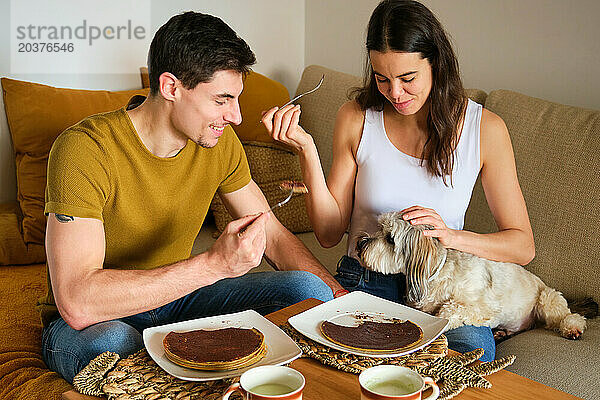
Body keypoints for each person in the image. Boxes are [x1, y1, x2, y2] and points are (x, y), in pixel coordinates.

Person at [39, 11, 344, 383]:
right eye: (222, 99)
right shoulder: (83, 149)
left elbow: (274, 236)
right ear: (171, 87)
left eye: (237, 99)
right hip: (105, 315)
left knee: (309, 289)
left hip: (181, 300)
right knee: (113, 341)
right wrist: (214, 265)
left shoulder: (219, 142)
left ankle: (177, 363)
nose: (235, 116)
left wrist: (340, 296)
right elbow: (77, 301)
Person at [262, 0, 535, 362]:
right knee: (327, 357)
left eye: (408, 78)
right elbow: (329, 233)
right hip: (366, 280)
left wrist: (450, 237)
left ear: (436, 63)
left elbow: (522, 246)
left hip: (444, 289)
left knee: (471, 358)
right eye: (382, 78)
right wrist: (306, 150)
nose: (395, 93)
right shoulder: (357, 117)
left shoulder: (484, 129)